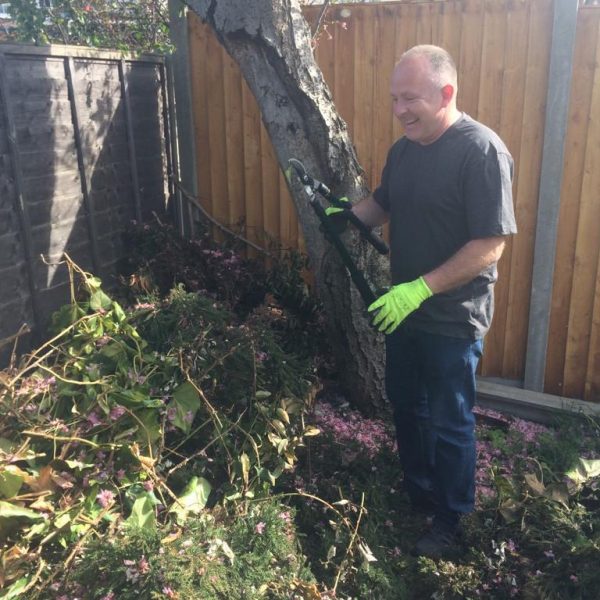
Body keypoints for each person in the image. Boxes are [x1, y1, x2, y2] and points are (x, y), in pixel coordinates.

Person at [334, 44, 517, 559]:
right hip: (404, 312)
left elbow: (490, 244)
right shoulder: (405, 150)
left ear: (446, 92)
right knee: (406, 405)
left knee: (450, 419)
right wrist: (345, 217)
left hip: (452, 317)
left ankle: (454, 519)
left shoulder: (481, 151)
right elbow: (382, 204)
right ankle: (419, 491)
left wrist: (421, 287)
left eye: (409, 98)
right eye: (394, 99)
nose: (399, 110)